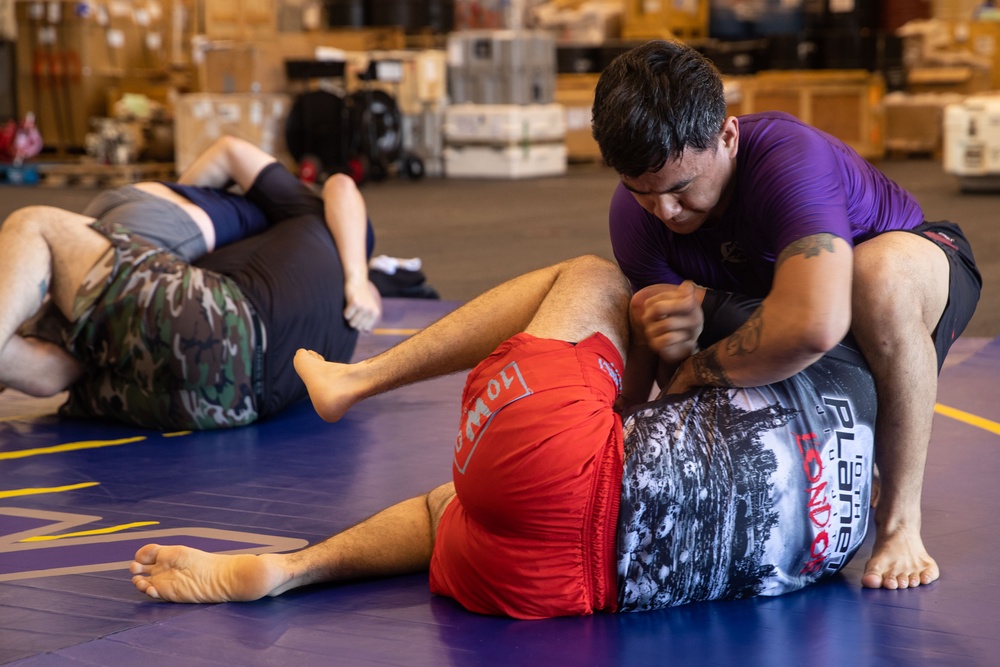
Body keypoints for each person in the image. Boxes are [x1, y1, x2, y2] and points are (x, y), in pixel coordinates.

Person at [130, 255, 876, 618]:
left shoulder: (830, 358)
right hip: (559, 586)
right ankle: (290, 570)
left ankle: (355, 381)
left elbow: (709, 327)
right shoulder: (835, 547)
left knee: (600, 276)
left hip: (560, 459)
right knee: (446, 509)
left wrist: (680, 340)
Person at [589, 40, 982, 590]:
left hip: (901, 292)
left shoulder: (787, 156)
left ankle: (899, 523)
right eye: (643, 194)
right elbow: (662, 356)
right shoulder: (637, 213)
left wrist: (698, 368)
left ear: (727, 135)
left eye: (680, 189)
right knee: (648, 307)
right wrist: (668, 347)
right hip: (791, 317)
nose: (667, 212)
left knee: (876, 276)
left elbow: (814, 325)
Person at [0, 136, 380, 430]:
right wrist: (359, 280)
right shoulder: (346, 326)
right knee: (72, 364)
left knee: (32, 223)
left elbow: (342, 186)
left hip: (223, 325)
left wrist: (357, 276)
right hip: (224, 407)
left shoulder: (309, 217)